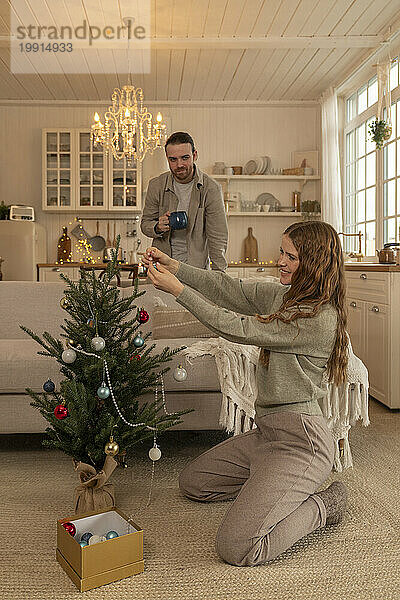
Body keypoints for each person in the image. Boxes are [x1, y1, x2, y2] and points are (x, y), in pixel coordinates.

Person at [141, 220, 349, 567]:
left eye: (290, 256)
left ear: (313, 264)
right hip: (267, 433)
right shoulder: (285, 295)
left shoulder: (320, 318)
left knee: (237, 547)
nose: (279, 260)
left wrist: (178, 290)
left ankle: (323, 506)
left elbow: (239, 327)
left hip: (302, 442)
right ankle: (271, 489)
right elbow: (228, 288)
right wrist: (175, 266)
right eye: (281, 252)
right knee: (194, 483)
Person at [140, 131, 228, 271]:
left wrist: (219, 277)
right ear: (167, 159)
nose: (179, 164)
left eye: (185, 158)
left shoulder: (211, 189)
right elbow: (145, 224)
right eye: (173, 159)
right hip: (162, 269)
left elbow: (218, 237)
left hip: (196, 271)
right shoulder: (156, 185)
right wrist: (157, 227)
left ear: (194, 155)